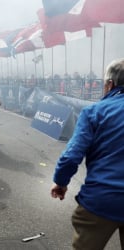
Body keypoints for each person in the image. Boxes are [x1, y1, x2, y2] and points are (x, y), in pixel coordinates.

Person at [50, 58, 124, 250]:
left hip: (100, 201)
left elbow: (71, 156)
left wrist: (61, 183)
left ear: (110, 84)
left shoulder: (94, 112)